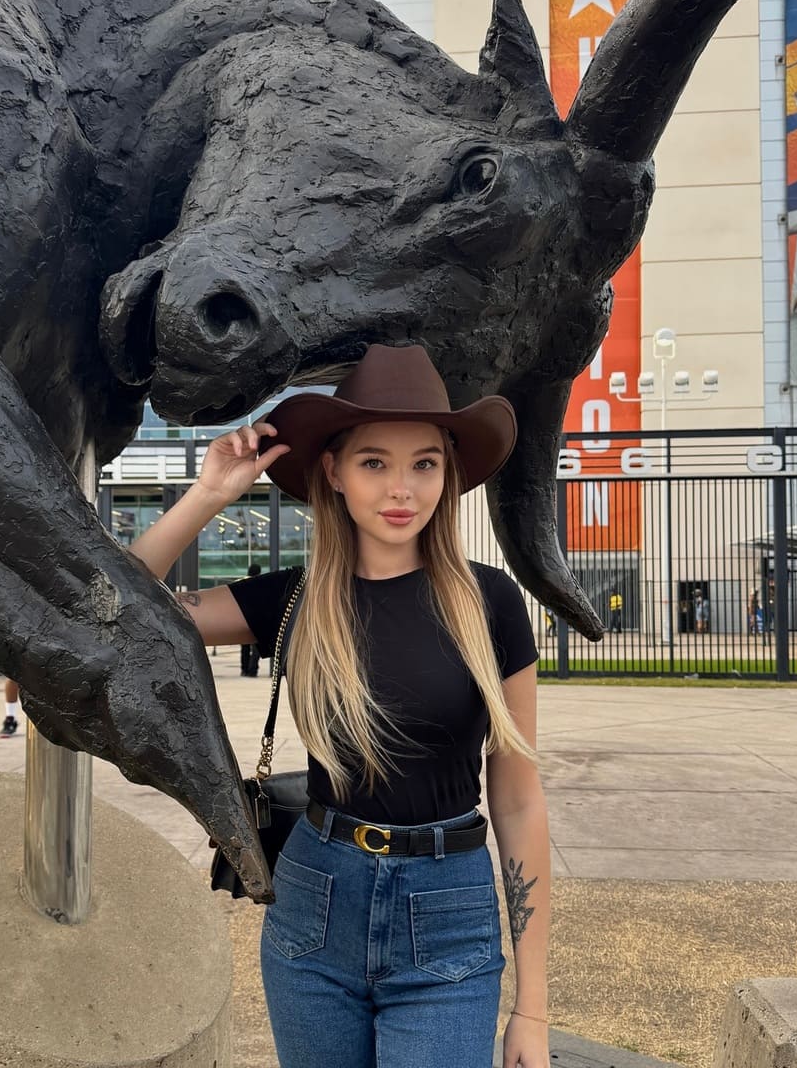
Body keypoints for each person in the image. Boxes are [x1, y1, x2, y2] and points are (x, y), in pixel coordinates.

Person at [129, 345, 550, 1068]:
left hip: (447, 909)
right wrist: (209, 495)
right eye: (374, 462)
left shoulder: (491, 602)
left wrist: (532, 1009)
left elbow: (517, 799)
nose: (401, 488)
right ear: (333, 471)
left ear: (448, 473)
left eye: (424, 463)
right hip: (315, 905)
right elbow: (125, 605)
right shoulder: (293, 597)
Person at [239, 563, 262, 676]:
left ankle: (244, 669)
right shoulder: (260, 584)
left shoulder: (240, 583)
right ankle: (253, 669)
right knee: (256, 647)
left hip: (242, 618)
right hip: (257, 619)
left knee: (245, 646)